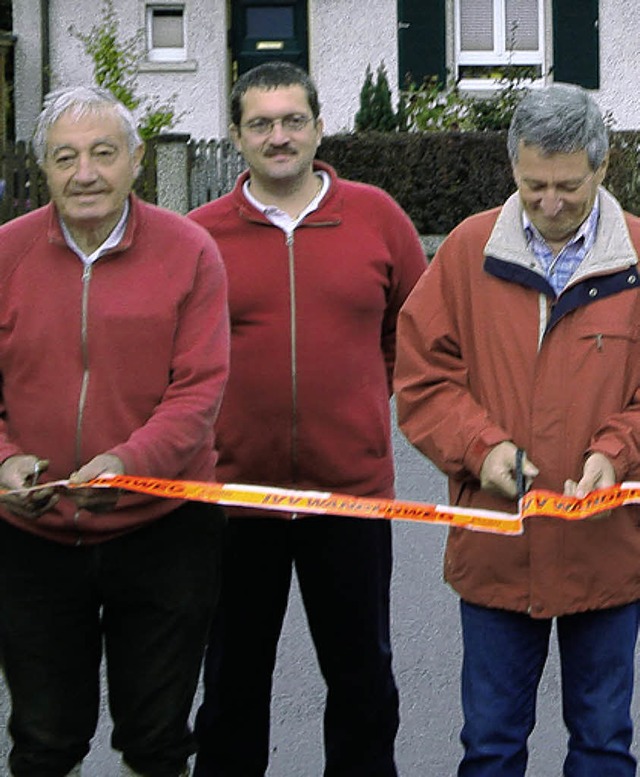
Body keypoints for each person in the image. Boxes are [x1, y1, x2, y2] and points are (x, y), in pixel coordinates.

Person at [188, 61, 426, 777]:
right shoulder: (200, 237)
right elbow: (181, 356)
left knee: (362, 686)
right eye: (260, 123)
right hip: (235, 500)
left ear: (319, 126)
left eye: (293, 120)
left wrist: (361, 398)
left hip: (348, 496)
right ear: (236, 135)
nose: (279, 135)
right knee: (230, 690)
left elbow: (413, 330)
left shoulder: (377, 217)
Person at [394, 82, 640, 776]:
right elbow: (423, 379)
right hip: (498, 547)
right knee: (492, 745)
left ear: (602, 167)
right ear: (513, 168)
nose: (551, 202)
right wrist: (484, 447)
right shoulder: (468, 250)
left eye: (568, 185)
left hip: (609, 550)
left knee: (602, 743)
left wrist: (615, 454)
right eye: (534, 186)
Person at [0, 85, 230, 777]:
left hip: (163, 527)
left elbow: (199, 390)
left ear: (136, 160)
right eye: (66, 157)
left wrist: (129, 461)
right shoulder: (5, 253)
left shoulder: (190, 251)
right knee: (43, 741)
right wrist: (4, 460)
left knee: (156, 740)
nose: (86, 172)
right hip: (31, 534)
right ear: (45, 168)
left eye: (103, 153)